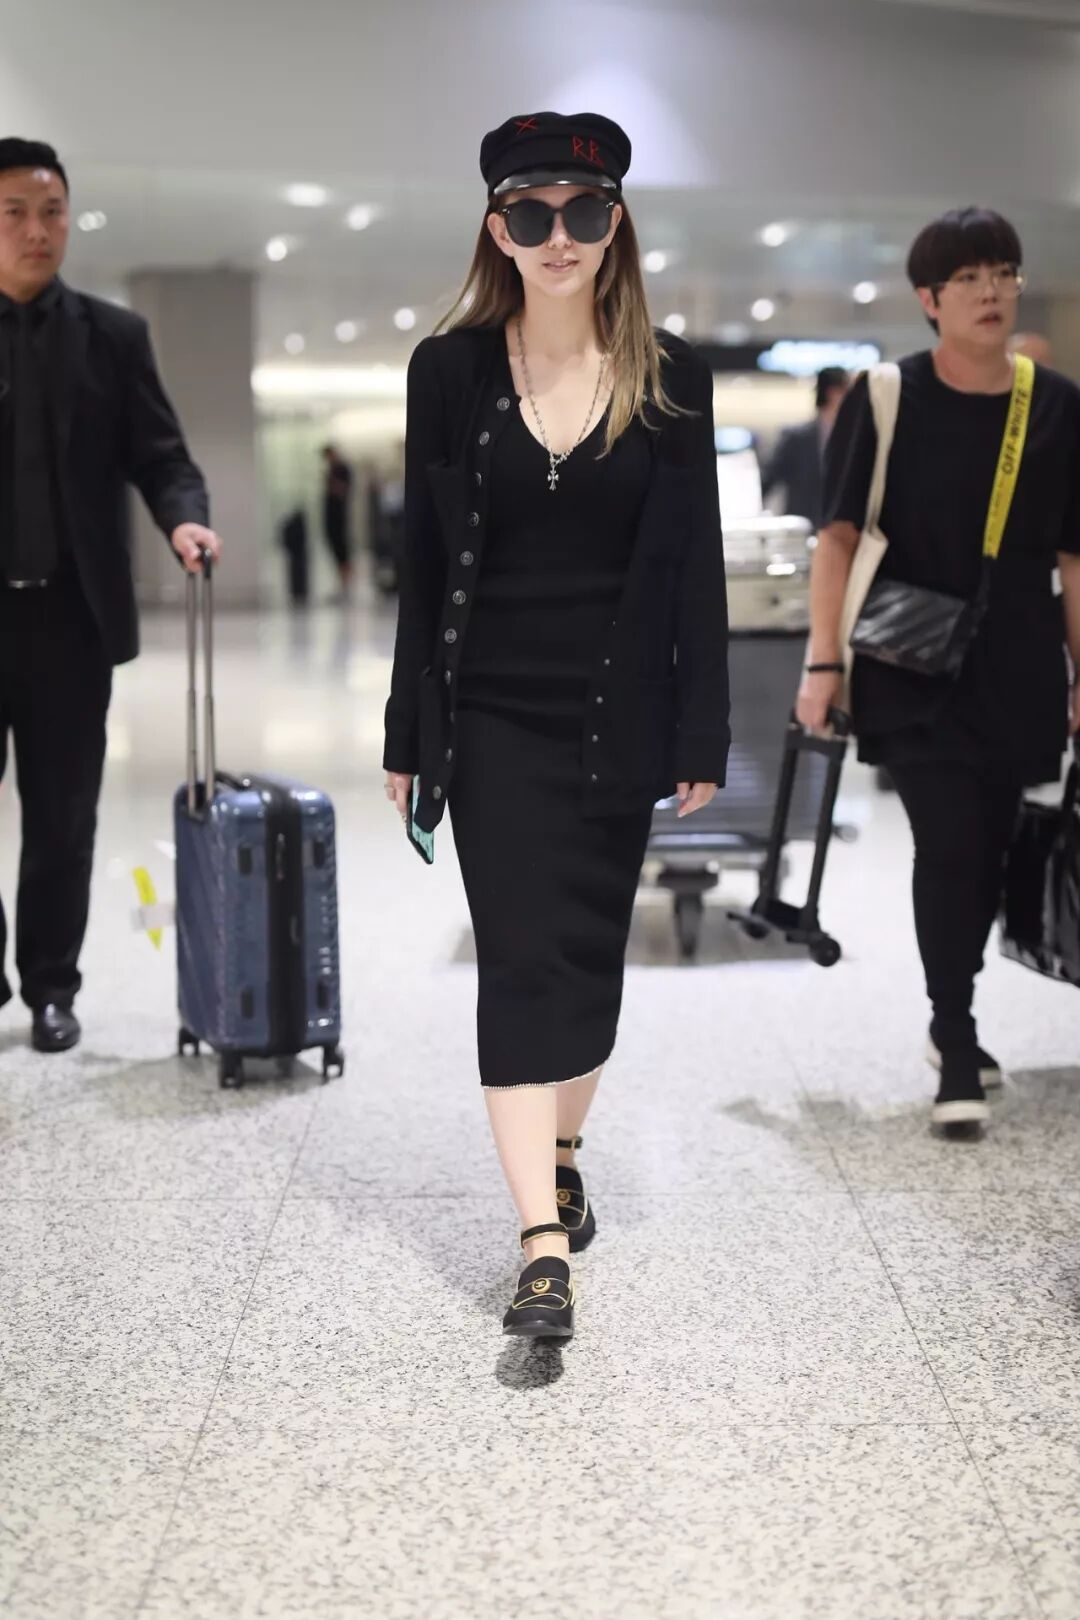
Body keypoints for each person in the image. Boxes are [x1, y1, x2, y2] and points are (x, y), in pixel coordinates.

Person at [383, 111, 729, 1340]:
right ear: (498, 231)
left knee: (587, 962)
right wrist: (407, 732)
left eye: (583, 211)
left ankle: (565, 1148)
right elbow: (423, 567)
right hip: (490, 719)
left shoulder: (671, 378)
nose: (558, 235)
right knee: (522, 961)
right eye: (530, 214)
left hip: (615, 714)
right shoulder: (449, 373)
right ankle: (540, 1242)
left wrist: (701, 732)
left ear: (615, 223)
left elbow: (696, 571)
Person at [797, 207, 1080, 1128]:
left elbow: (1075, 557)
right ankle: (954, 1036)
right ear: (930, 299)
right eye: (969, 278)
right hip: (909, 665)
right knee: (950, 842)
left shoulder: (1057, 404)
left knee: (992, 849)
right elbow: (838, 539)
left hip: (1020, 663)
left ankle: (952, 1011)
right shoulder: (887, 397)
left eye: (1004, 273)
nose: (992, 291)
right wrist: (822, 665)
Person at [0, 138, 220, 1054]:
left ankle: (52, 986)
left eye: (51, 211)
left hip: (69, 621)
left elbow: (161, 455)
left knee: (63, 817)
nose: (37, 230)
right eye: (15, 212)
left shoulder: (113, 337)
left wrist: (185, 519)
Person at [760, 366, 849, 528]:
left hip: (839, 530)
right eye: (847, 391)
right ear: (832, 393)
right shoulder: (796, 437)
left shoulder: (852, 438)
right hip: (801, 529)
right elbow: (768, 478)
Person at [320, 443, 354, 597]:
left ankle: (346, 585)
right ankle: (341, 584)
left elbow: (343, 491)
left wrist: (331, 482)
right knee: (335, 550)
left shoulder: (343, 469)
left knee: (342, 550)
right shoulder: (332, 470)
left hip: (339, 517)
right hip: (331, 518)